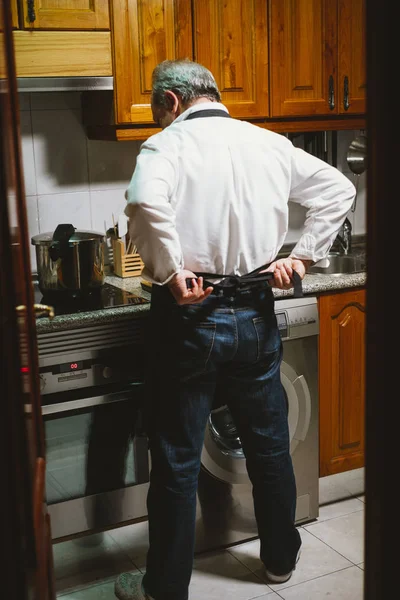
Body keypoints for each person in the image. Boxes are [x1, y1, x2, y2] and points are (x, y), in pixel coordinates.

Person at [114, 59, 356, 600]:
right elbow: (338, 190)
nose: (158, 121)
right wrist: (302, 257)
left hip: (189, 315)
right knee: (269, 444)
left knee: (177, 456)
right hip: (254, 307)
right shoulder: (267, 143)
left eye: (158, 110)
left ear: (172, 101)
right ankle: (279, 562)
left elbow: (145, 202)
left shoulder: (166, 147)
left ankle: (166, 587)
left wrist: (173, 272)